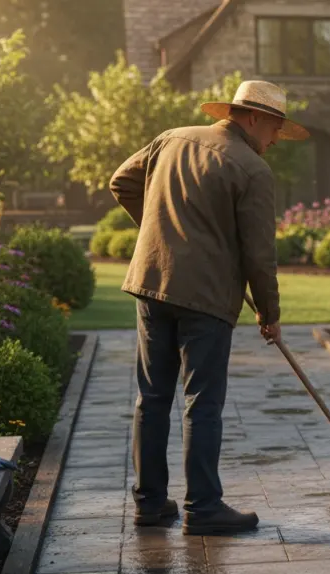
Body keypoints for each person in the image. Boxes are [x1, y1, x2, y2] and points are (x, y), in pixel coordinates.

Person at [109, 80, 309, 535]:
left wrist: (159, 231)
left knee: (152, 397)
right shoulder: (253, 170)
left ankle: (150, 504)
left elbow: (120, 181)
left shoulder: (171, 138)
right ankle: (203, 508)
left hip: (151, 282)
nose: (276, 140)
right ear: (254, 118)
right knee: (202, 402)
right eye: (276, 128)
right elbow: (259, 254)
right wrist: (269, 313)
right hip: (206, 298)